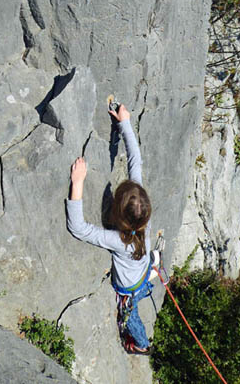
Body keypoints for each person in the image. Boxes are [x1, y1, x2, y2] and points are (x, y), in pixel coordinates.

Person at [66, 103, 156, 354]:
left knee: (131, 316)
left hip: (128, 288)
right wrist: (124, 123)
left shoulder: (119, 240)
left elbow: (79, 228)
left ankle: (142, 345)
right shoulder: (144, 217)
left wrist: (78, 183)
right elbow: (135, 161)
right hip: (143, 269)